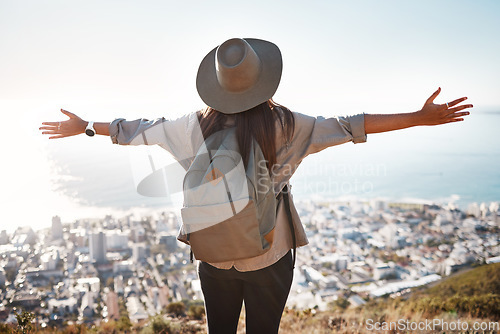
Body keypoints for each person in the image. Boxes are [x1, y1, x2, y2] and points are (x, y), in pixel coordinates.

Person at [40, 38, 472, 333]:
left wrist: (85, 129)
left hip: (212, 255)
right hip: (269, 254)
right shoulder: (286, 125)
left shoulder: (191, 127)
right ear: (263, 80)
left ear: (217, 85)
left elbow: (134, 130)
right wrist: (418, 116)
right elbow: (351, 126)